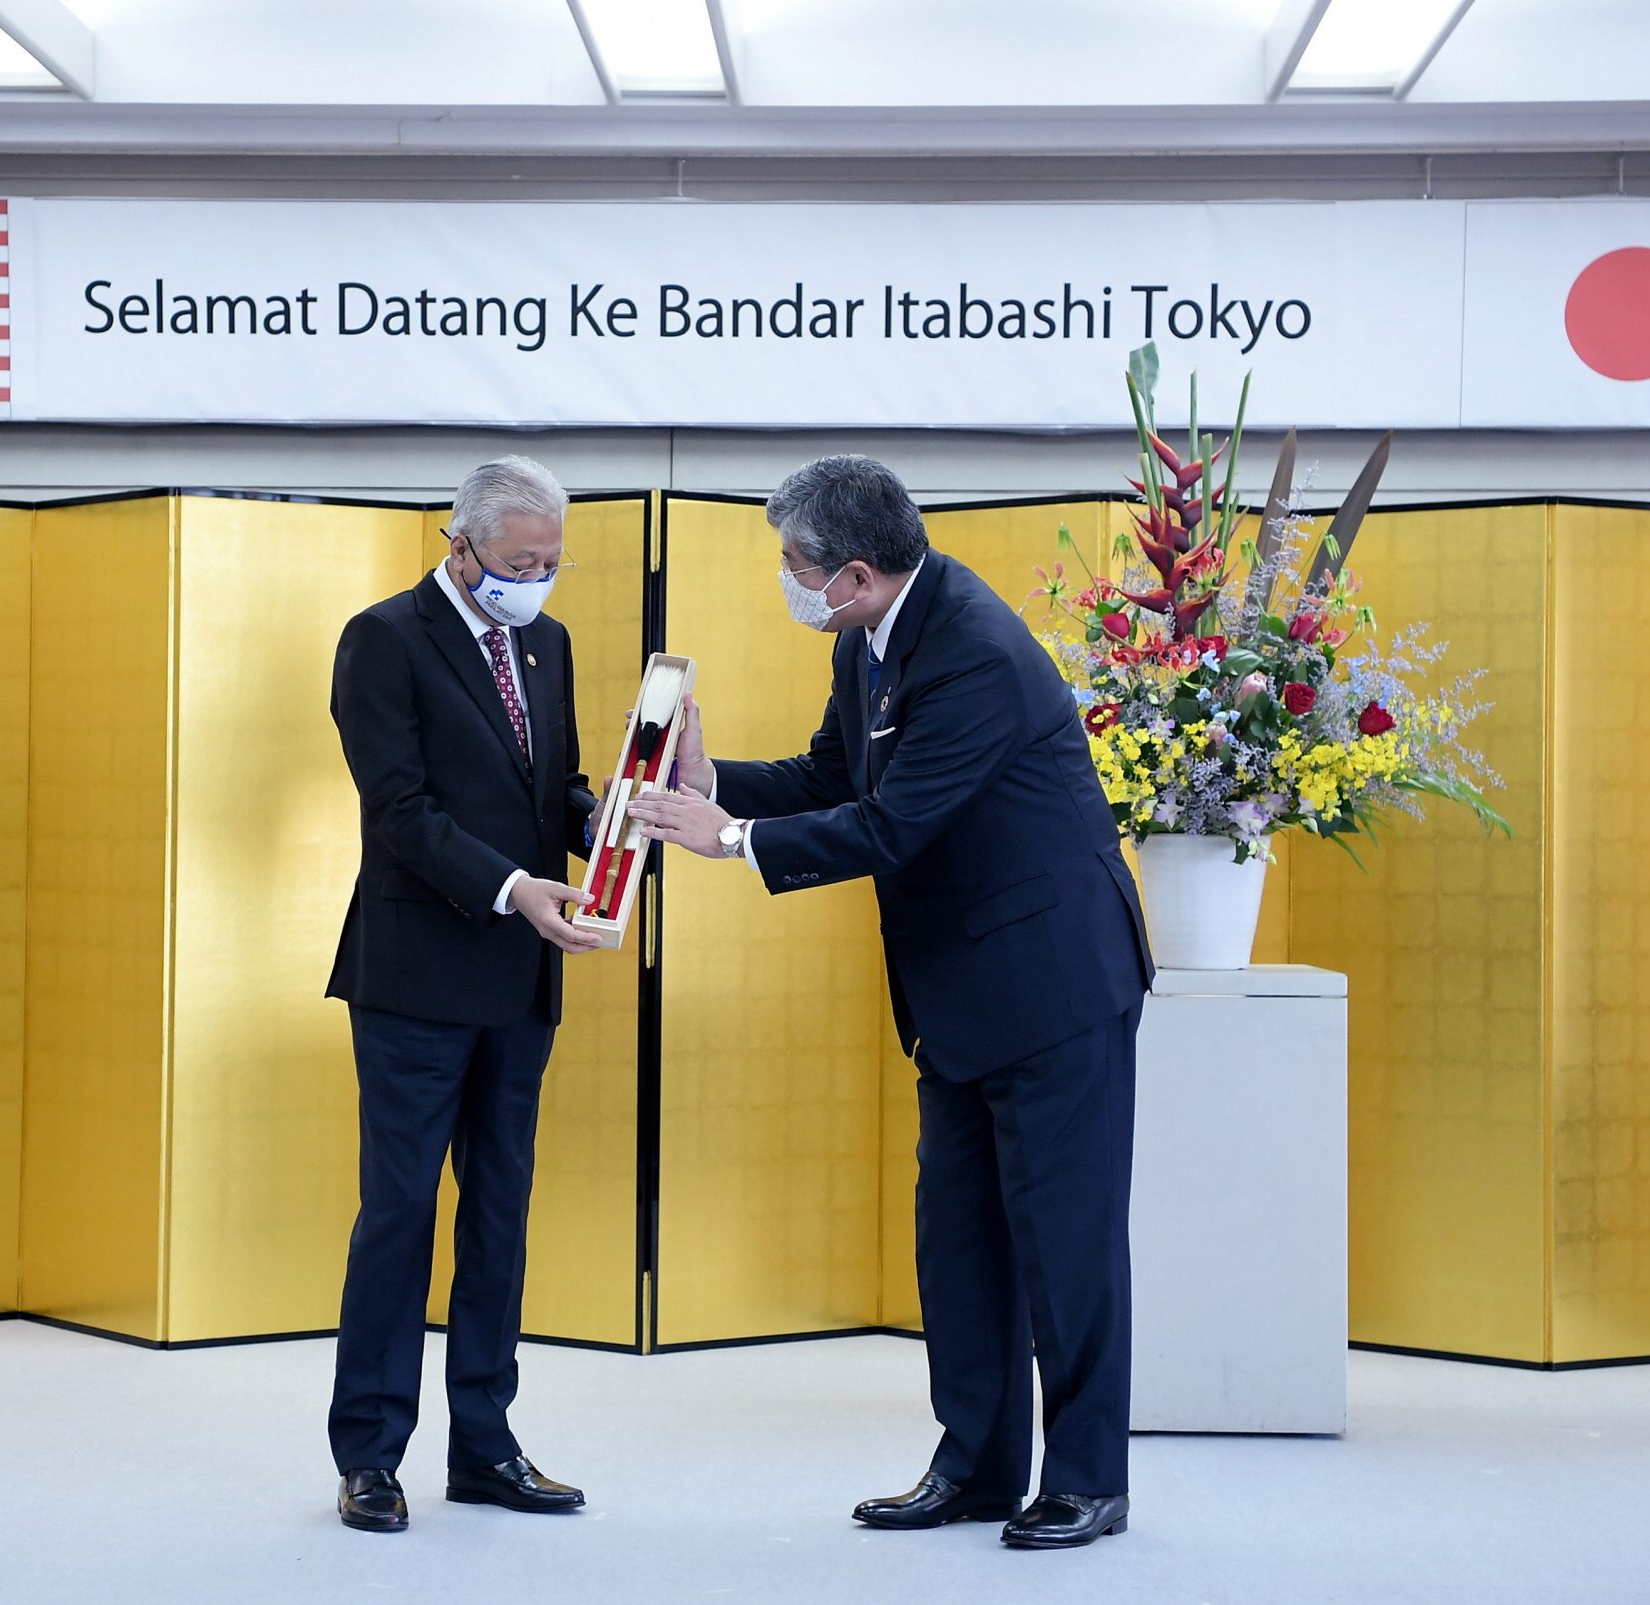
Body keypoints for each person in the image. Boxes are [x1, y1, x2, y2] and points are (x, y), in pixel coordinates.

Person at [628, 454, 1154, 1552]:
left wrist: (729, 842)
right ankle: (976, 1468)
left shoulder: (974, 650)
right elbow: (834, 778)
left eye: (796, 566)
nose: (789, 582)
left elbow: (892, 826)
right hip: (957, 991)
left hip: (1053, 982)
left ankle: (1087, 1481)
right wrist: (709, 785)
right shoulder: (866, 636)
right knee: (957, 1240)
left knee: (1065, 1245)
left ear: (857, 573)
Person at [323, 455, 603, 1534]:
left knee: (498, 1213)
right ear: (462, 543)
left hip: (519, 980)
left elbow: (550, 786)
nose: (536, 580)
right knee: (399, 1215)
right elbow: (400, 810)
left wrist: (612, 818)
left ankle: (485, 1445)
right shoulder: (383, 639)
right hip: (415, 977)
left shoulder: (549, 641)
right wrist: (513, 887)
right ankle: (369, 1455)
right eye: (520, 563)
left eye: (550, 562)